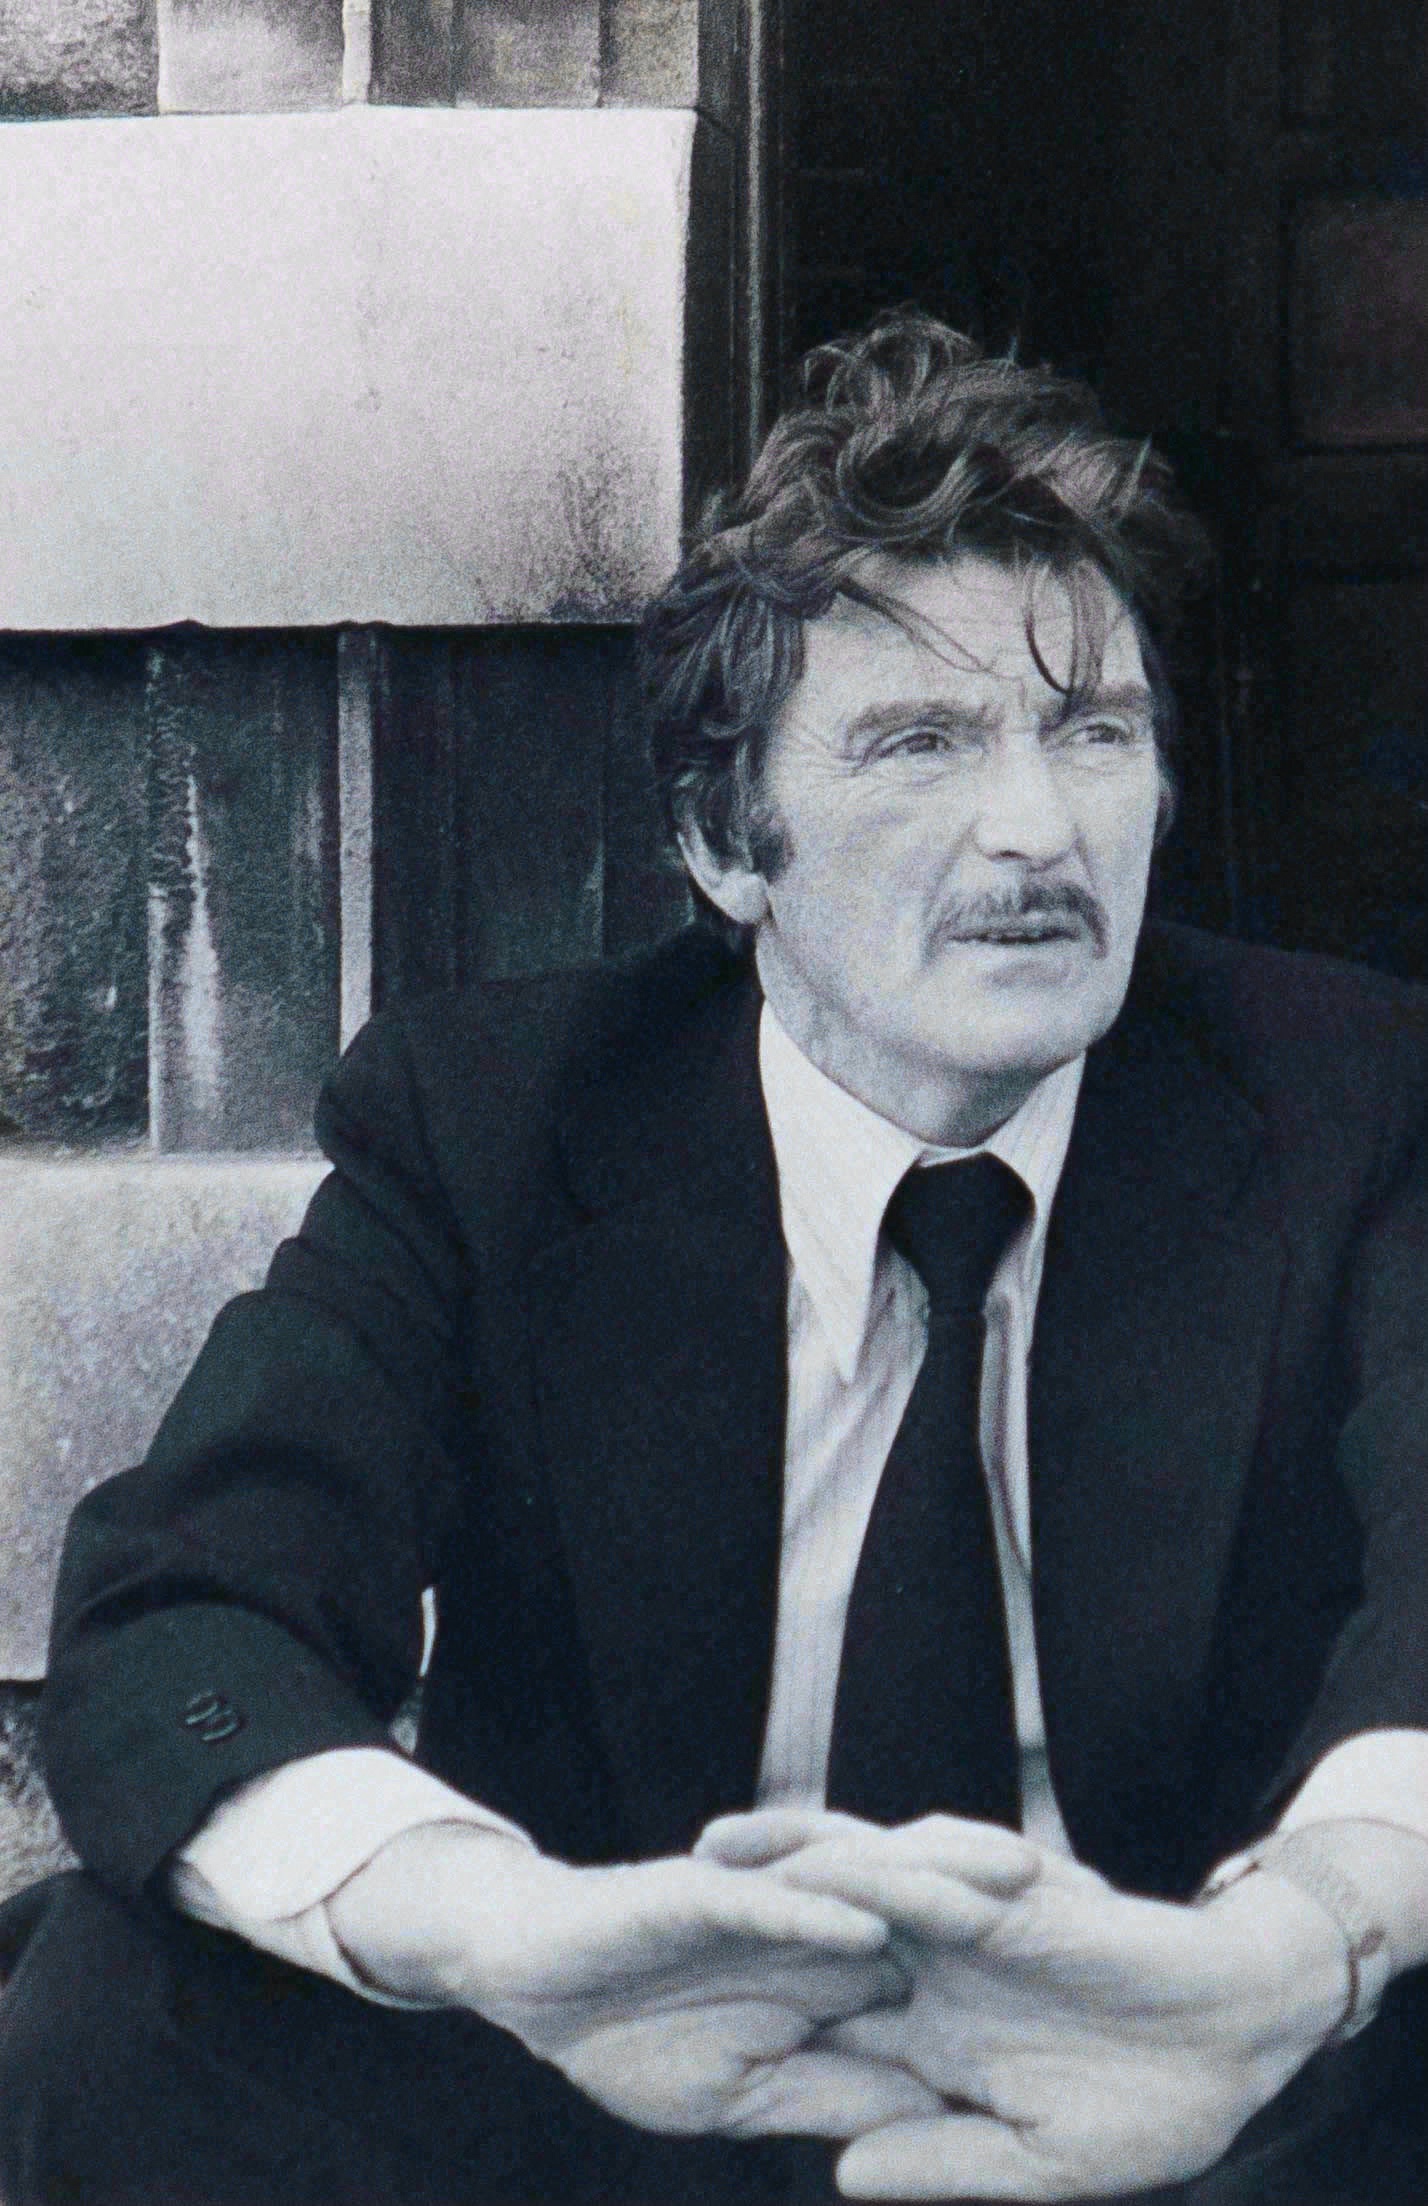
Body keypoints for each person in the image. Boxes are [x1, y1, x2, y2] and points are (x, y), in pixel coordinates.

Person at [1, 311, 1426, 2206]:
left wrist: (1296, 1949)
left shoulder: (1342, 1096)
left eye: (1093, 730)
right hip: (634, 2073)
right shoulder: (497, 1126)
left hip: (1178, 2078)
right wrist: (500, 1929)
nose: (1037, 827)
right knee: (108, 2006)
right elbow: (187, 1610)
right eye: (922, 742)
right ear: (726, 842)